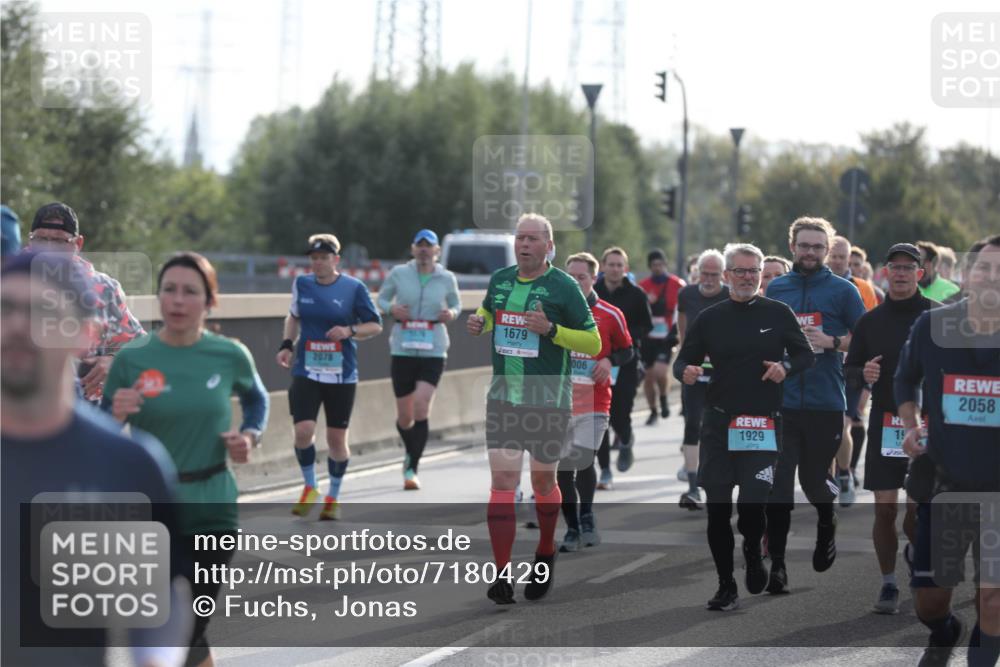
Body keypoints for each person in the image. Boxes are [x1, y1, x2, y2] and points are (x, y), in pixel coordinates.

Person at [2, 252, 190, 667]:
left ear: (86, 334)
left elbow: (156, 603)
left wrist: (156, 659)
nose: (18, 325)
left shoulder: (125, 465)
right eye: (5, 308)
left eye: (41, 311)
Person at [104, 252, 269, 667]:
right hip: (152, 511)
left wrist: (249, 436)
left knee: (188, 628)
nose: (177, 301)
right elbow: (98, 433)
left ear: (209, 302)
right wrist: (114, 414)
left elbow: (257, 399)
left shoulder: (229, 354)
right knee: (173, 630)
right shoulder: (131, 359)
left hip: (212, 509)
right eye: (169, 290)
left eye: (190, 292)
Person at [466, 213, 600, 605]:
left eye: (531, 239)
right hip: (504, 397)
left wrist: (552, 331)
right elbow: (490, 311)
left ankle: (544, 551)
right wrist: (481, 321)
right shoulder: (501, 279)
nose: (523, 245)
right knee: (503, 485)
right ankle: (502, 573)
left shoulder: (564, 287)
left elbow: (592, 343)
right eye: (519, 238)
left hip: (546, 400)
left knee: (543, 483)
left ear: (548, 245)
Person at [674, 243, 814, 611]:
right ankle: (725, 584)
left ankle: (753, 550)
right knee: (718, 509)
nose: (748, 277)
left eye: (754, 271)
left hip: (761, 423)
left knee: (753, 507)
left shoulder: (779, 313)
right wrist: (685, 372)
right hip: (719, 423)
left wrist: (786, 367)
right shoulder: (710, 317)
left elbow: (805, 354)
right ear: (726, 276)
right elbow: (684, 360)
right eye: (740, 271)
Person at [895, 234, 1000, 666]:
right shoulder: (932, 327)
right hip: (945, 485)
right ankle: (944, 631)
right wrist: (910, 424)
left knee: (993, 604)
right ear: (966, 275)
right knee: (930, 603)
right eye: (985, 269)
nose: (993, 278)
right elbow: (904, 379)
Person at [764, 217, 866, 593]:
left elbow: (865, 341)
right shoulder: (777, 287)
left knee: (813, 483)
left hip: (824, 401)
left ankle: (827, 522)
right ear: (792, 247)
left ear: (828, 250)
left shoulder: (843, 291)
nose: (810, 253)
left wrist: (832, 341)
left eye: (817, 247)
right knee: (778, 486)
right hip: (783, 402)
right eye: (804, 246)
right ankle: (777, 566)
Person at [844, 243, 940, 615]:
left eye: (908, 268)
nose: (900, 274)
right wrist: (862, 373)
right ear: (885, 273)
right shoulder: (870, 321)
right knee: (885, 511)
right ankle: (888, 583)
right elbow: (849, 369)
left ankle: (917, 552)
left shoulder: (939, 318)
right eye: (894, 268)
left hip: (929, 426)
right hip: (886, 422)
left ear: (920, 274)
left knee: (918, 512)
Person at [276, 234, 383, 520]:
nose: (318, 263)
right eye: (314, 258)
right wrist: (287, 344)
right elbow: (293, 316)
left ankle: (333, 495)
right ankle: (310, 486)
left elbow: (375, 325)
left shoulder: (353, 288)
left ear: (336, 260)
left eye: (324, 258)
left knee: (336, 440)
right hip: (307, 370)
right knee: (302, 431)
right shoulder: (302, 284)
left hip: (341, 374)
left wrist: (349, 331)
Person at [27, 202, 145, 402]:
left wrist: (112, 359)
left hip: (86, 407)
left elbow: (137, 345)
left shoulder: (103, 289)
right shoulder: (11, 283)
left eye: (59, 242)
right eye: (41, 239)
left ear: (77, 244)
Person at [558, 252, 632, 551]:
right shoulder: (553, 311)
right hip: (558, 401)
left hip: (595, 400)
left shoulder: (610, 314)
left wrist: (608, 360)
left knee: (583, 458)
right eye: (570, 277)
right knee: (563, 467)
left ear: (594, 278)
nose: (576, 282)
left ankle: (586, 515)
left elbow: (628, 351)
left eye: (582, 277)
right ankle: (572, 527)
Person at [377, 229, 461, 490]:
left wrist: (452, 313)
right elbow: (380, 299)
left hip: (433, 348)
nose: (424, 250)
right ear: (413, 249)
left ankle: (412, 466)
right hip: (403, 347)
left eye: (429, 246)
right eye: (420, 246)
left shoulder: (446, 278)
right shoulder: (399, 274)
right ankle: (409, 450)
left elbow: (457, 305)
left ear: (436, 251)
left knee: (421, 406)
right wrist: (391, 309)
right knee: (405, 417)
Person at [675, 249, 729, 510]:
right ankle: (693, 487)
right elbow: (682, 329)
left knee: (719, 426)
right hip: (696, 372)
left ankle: (721, 483)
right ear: (697, 272)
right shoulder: (686, 294)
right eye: (704, 274)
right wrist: (685, 359)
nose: (708, 279)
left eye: (714, 275)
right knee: (693, 423)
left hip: (724, 374)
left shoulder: (730, 295)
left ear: (723, 275)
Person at [594, 246, 652, 489]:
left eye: (620, 265)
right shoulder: (593, 293)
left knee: (620, 415)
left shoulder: (636, 295)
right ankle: (605, 470)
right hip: (597, 362)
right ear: (603, 267)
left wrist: (622, 333)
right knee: (600, 419)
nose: (615, 269)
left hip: (626, 361)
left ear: (625, 269)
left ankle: (626, 440)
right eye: (611, 264)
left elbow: (646, 326)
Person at [828, 235, 878, 506]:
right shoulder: (815, 285)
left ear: (850, 259)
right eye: (832, 255)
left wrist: (868, 381)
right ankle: (830, 479)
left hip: (852, 366)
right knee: (826, 426)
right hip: (821, 364)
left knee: (843, 422)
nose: (836, 260)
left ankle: (844, 473)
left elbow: (869, 330)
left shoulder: (862, 288)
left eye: (841, 256)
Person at [638, 248, 685, 426]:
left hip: (667, 335)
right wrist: (646, 303)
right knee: (648, 377)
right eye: (654, 265)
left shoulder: (677, 284)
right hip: (648, 337)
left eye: (660, 264)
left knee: (659, 371)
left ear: (665, 265)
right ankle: (653, 410)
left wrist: (679, 332)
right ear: (650, 266)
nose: (658, 268)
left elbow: (682, 311)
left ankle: (664, 397)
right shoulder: (643, 286)